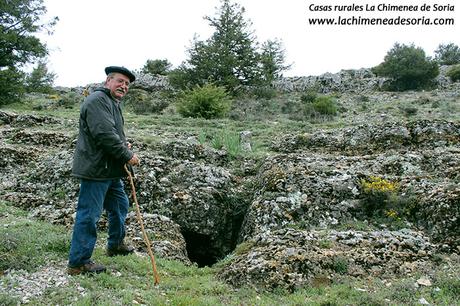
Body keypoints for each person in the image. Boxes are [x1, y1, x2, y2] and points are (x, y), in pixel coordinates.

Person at [68, 66, 140, 275]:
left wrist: (123, 145)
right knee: (89, 215)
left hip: (110, 170)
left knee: (120, 205)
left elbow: (113, 134)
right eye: (120, 81)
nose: (123, 86)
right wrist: (127, 156)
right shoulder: (97, 101)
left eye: (127, 84)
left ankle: (115, 244)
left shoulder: (113, 103)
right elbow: (104, 134)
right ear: (108, 80)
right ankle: (78, 262)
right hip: (96, 170)